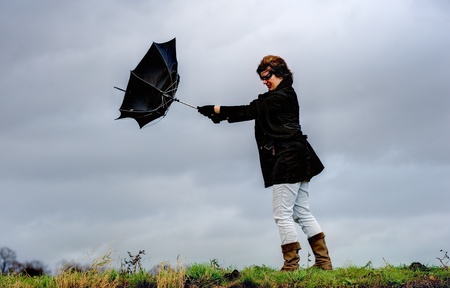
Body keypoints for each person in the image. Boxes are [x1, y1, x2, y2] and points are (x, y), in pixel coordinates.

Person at [197, 55, 332, 271]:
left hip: (287, 159)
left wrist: (216, 109)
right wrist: (222, 118)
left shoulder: (282, 95)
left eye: (267, 76)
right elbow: (256, 112)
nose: (264, 81)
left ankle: (291, 266)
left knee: (282, 214)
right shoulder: (281, 95)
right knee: (301, 211)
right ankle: (324, 263)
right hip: (299, 157)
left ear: (280, 72)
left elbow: (252, 110)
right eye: (261, 77)